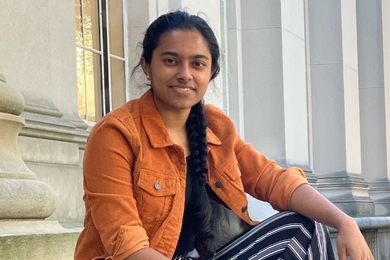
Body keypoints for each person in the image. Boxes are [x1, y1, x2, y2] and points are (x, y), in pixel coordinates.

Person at [74, 10, 374, 260]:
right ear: (147, 67)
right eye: (170, 60)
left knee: (309, 225)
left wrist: (344, 221)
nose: (185, 74)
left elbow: (274, 180)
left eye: (197, 64)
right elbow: (125, 244)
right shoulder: (117, 133)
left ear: (211, 73)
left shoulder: (215, 127)